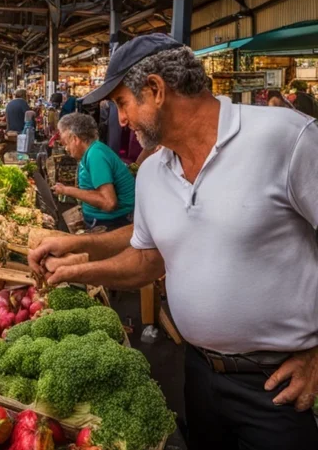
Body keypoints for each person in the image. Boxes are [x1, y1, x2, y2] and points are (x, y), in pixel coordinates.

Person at [31, 33, 318, 448]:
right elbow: (148, 260)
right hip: (199, 373)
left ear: (155, 90)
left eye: (122, 105)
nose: (122, 121)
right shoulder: (152, 171)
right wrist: (75, 262)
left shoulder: (287, 139)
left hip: (279, 385)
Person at [53, 113, 135, 231]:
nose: (66, 148)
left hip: (112, 223)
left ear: (75, 139)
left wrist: (68, 190)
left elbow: (109, 203)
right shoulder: (93, 151)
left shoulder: (96, 155)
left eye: (66, 143)